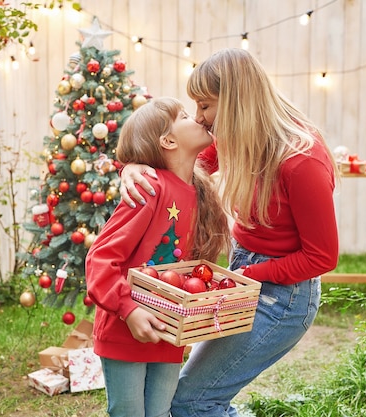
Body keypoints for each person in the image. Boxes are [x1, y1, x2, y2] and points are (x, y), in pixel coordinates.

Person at [119, 48, 339, 417]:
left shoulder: (301, 161)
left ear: (236, 101)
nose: (200, 119)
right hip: (247, 276)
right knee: (191, 397)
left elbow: (321, 258)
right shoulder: (240, 136)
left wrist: (247, 276)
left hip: (280, 298)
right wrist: (132, 166)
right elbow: (174, 163)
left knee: (192, 402)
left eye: (205, 106)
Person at [85, 97, 231, 417]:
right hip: (126, 328)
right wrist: (128, 309)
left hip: (169, 329)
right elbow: (99, 259)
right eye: (184, 116)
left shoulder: (194, 188)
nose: (198, 118)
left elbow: (234, 131)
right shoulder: (148, 187)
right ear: (168, 140)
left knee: (160, 412)